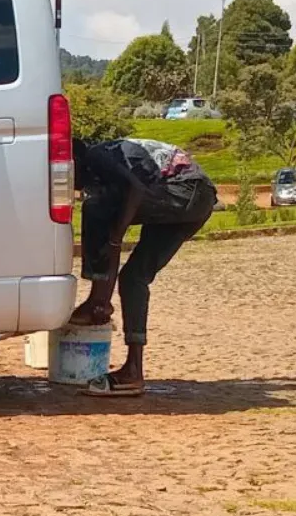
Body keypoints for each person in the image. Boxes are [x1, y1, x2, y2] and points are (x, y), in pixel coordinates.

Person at [69, 136, 217, 397]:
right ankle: (133, 372)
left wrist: (116, 235)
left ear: (75, 161)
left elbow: (134, 189)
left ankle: (97, 302)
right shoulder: (99, 169)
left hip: (186, 190)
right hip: (194, 199)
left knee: (97, 209)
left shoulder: (97, 155)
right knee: (133, 278)